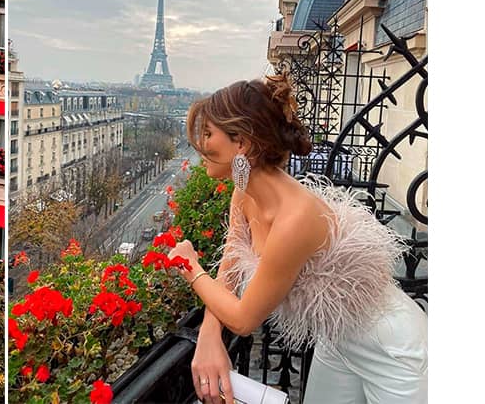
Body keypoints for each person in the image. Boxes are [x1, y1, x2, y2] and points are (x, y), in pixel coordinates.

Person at [167, 75, 426, 404]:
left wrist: (190, 266)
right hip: (337, 340)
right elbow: (230, 269)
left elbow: (245, 319)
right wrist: (208, 333)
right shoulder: (244, 193)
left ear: (242, 143)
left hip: (394, 349)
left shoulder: (295, 218)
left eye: (207, 134)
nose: (200, 146)